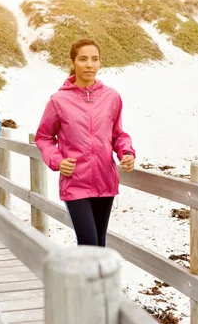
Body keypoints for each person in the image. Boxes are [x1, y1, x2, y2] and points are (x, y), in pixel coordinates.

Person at [35, 39, 135, 247]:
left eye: (94, 59)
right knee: (88, 243)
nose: (89, 64)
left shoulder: (111, 97)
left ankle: (94, 281)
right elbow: (43, 137)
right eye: (83, 59)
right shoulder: (58, 100)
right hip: (75, 181)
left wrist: (126, 153)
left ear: (100, 63)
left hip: (105, 180)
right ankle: (85, 279)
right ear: (72, 63)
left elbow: (118, 134)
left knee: (99, 243)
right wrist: (57, 160)